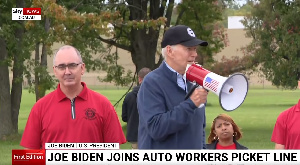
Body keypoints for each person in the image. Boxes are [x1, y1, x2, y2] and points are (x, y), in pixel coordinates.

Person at [20, 45, 126, 149]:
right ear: (55, 71)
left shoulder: (103, 105)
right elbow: (30, 156)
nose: (67, 72)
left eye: (72, 65)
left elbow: (113, 153)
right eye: (61, 67)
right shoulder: (40, 108)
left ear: (82, 68)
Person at [137, 25, 209, 149]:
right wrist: (190, 104)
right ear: (170, 51)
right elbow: (156, 129)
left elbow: (199, 128)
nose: (194, 54)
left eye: (195, 49)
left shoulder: (195, 82)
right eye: (188, 49)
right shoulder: (152, 82)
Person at [122, 67, 151, 149]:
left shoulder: (129, 96)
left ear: (139, 78)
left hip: (134, 134)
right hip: (150, 135)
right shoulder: (155, 95)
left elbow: (124, 117)